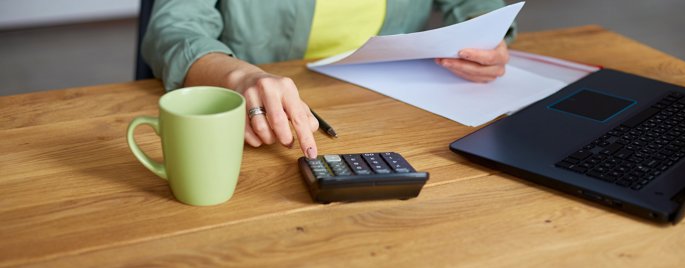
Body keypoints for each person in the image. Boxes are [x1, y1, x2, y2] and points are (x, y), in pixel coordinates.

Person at [142, 0, 515, 159]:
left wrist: (487, 38)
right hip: (266, 116)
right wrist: (240, 75)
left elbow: (478, 5)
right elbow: (174, 29)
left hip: (398, 111)